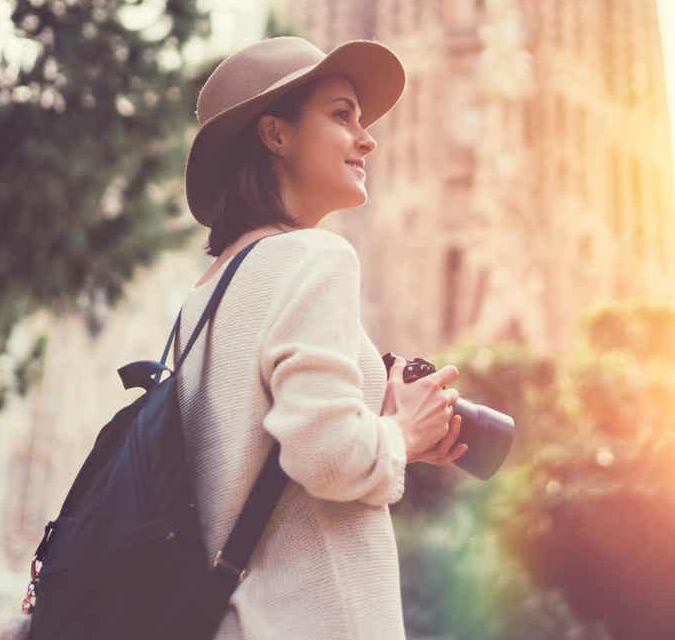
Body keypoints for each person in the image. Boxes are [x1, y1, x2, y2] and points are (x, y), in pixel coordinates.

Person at [175, 35, 466, 640]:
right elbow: (325, 456)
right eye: (341, 116)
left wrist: (380, 423)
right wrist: (403, 436)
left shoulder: (203, 298)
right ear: (275, 135)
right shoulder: (316, 257)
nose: (368, 139)